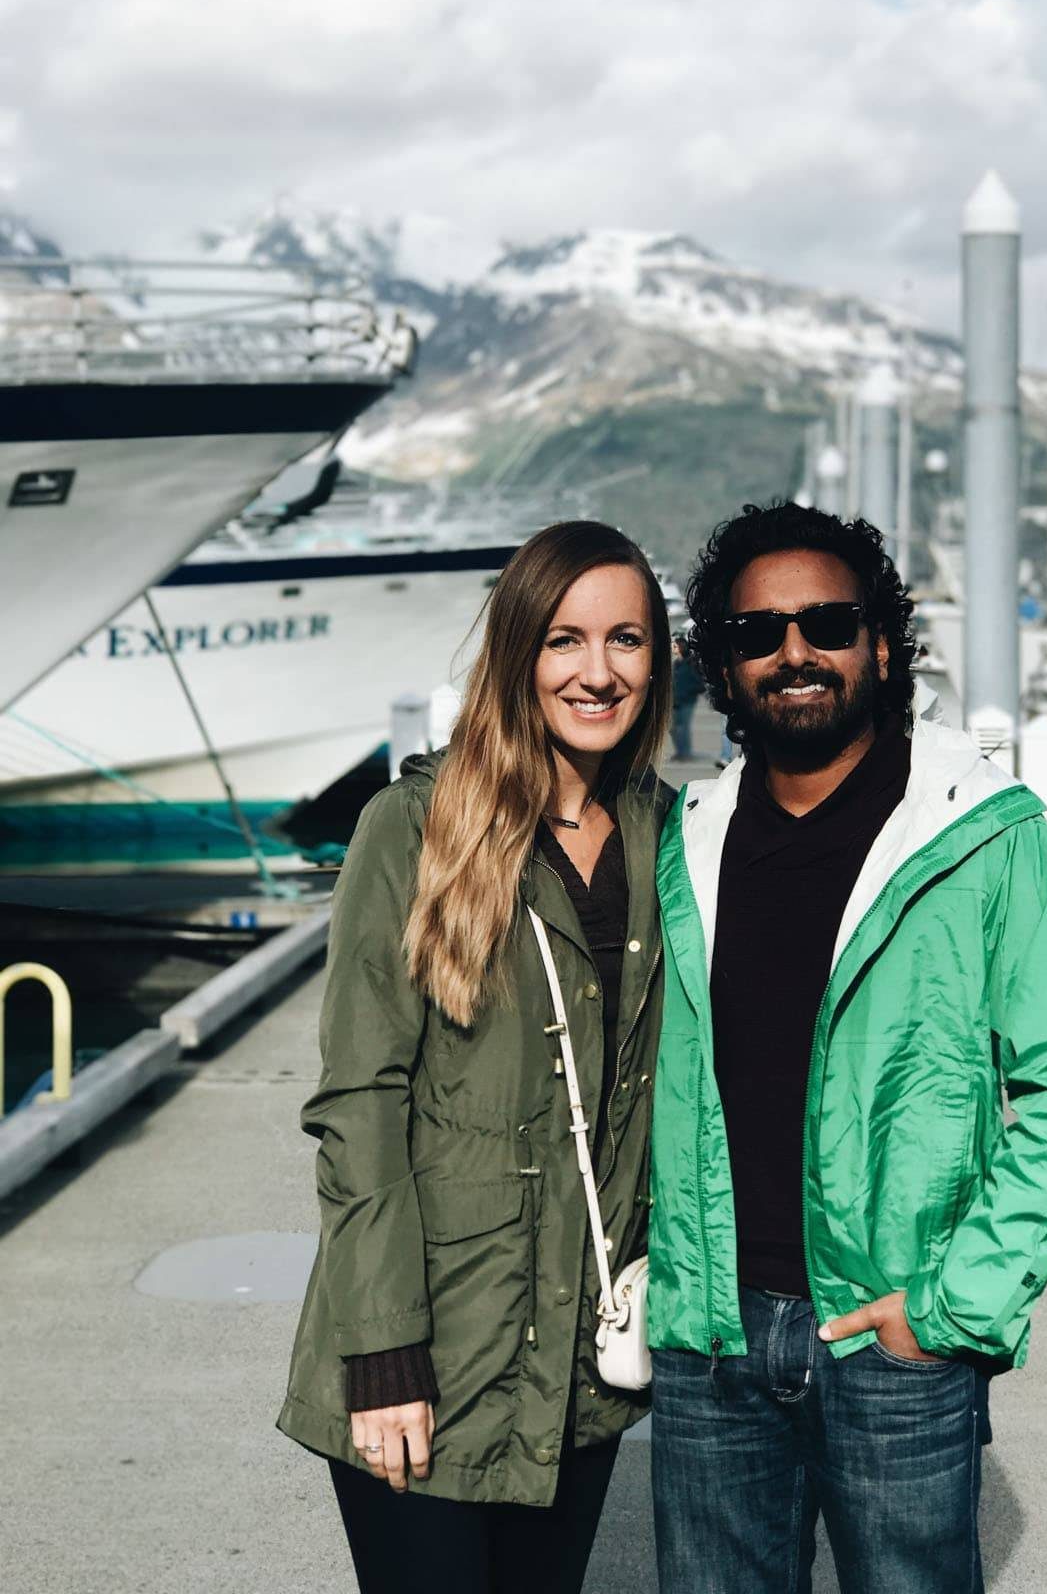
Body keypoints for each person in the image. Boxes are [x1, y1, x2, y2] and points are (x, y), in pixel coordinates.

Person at [646, 501, 1047, 1594]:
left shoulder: (983, 836)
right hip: (710, 1340)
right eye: (757, 632)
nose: (794, 653)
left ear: (880, 643)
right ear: (721, 663)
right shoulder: (686, 840)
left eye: (826, 622)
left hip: (892, 1340)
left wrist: (954, 1306)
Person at [277, 521, 673, 1594]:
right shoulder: (413, 827)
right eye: (563, 640)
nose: (597, 671)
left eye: (626, 639)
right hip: (430, 1347)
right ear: (515, 652)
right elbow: (359, 1102)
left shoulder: (671, 837)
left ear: (657, 660)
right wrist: (383, 1350)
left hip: (581, 1364)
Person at [669, 635, 703, 761]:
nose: (672, 648)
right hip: (675, 700)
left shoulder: (690, 663)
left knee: (683, 727)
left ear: (681, 647)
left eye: (675, 646)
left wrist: (688, 691)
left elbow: (700, 684)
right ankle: (680, 752)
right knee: (672, 728)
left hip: (687, 701)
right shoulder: (676, 663)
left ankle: (685, 753)